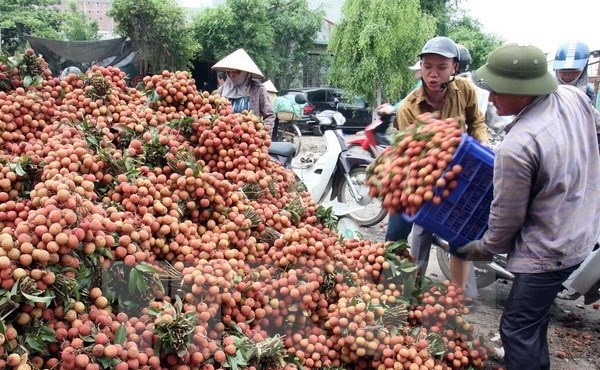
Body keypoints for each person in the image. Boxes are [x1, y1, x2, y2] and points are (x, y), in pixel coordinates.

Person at [458, 43, 600, 370]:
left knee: (516, 328)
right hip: (583, 229)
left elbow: (507, 219)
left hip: (550, 248)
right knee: (532, 320)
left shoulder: (518, 145)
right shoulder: (573, 96)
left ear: (523, 92)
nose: (490, 99)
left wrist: (481, 248)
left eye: (497, 91)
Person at [385, 36, 488, 299]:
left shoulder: (465, 89)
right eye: (427, 66)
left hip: (457, 170)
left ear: (454, 67)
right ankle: (399, 287)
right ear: (420, 67)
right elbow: (417, 153)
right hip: (413, 172)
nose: (432, 74)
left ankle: (461, 295)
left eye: (441, 67)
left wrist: (482, 148)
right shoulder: (409, 106)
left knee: (461, 234)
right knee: (399, 230)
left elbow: (476, 122)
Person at [212, 48, 275, 133]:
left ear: (245, 73)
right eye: (229, 72)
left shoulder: (258, 89)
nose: (232, 75)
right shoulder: (222, 90)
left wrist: (263, 133)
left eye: (236, 72)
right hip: (225, 137)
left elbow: (269, 116)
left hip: (250, 138)